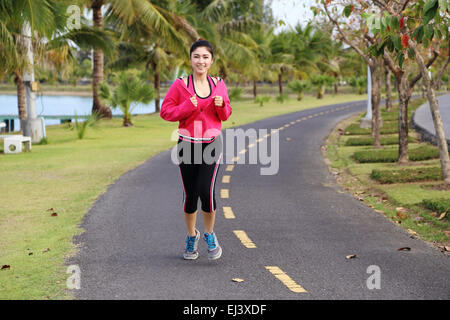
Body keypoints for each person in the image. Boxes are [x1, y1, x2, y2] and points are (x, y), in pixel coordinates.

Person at [160, 39, 232, 260]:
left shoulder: (219, 84)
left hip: (211, 143)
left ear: (211, 60)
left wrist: (222, 106)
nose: (201, 61)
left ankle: (210, 235)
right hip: (187, 144)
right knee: (190, 195)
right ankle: (192, 236)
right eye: (197, 56)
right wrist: (186, 106)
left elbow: (226, 114)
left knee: (206, 191)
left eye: (205, 57)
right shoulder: (181, 85)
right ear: (190, 59)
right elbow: (166, 112)